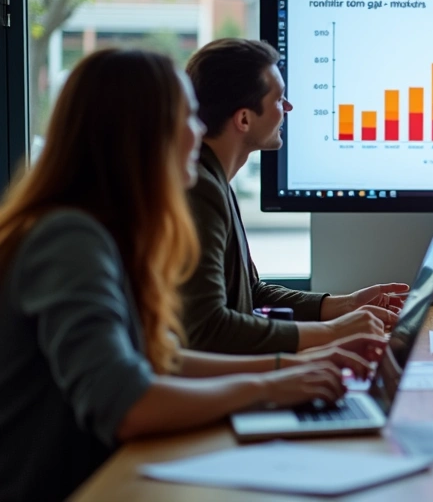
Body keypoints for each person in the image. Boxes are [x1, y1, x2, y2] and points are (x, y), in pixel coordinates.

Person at [0, 49, 381, 501]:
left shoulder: (107, 231)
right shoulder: (67, 239)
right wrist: (271, 383)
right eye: (188, 117)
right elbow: (126, 401)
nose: (200, 132)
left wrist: (291, 369)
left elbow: (161, 358)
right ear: (145, 134)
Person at [180, 38, 409, 354]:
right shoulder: (200, 189)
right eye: (278, 99)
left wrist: (345, 305)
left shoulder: (215, 179)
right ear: (244, 119)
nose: (288, 107)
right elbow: (209, 329)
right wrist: (331, 332)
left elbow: (251, 294)